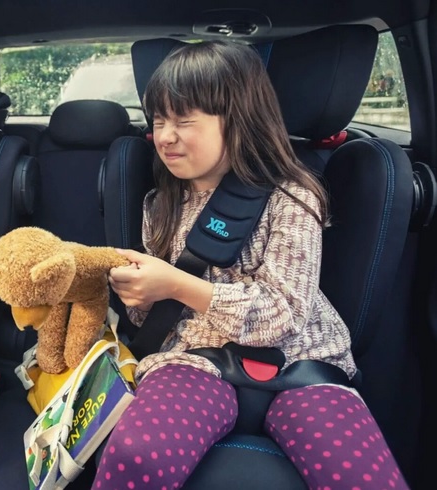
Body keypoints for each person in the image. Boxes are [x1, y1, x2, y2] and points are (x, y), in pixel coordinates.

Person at [94, 41, 409, 490]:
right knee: (133, 456)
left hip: (301, 365)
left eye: (184, 120)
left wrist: (177, 285)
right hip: (193, 360)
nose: (164, 135)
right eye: (159, 120)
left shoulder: (293, 199)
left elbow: (283, 318)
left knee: (364, 478)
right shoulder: (160, 206)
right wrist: (139, 295)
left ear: (239, 121)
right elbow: (155, 321)